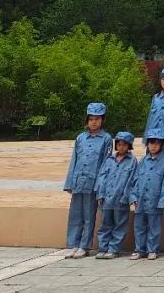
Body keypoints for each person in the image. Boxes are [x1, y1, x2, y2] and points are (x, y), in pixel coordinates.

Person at [63, 101, 112, 258]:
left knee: (89, 215)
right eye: (91, 119)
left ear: (102, 120)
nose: (94, 122)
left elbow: (106, 163)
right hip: (78, 181)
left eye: (97, 119)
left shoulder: (106, 139)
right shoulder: (80, 138)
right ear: (87, 120)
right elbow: (74, 160)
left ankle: (84, 245)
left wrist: (101, 185)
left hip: (93, 183)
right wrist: (69, 182)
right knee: (75, 214)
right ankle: (72, 243)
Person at [130, 129, 164, 260]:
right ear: (147, 145)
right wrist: (133, 196)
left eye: (156, 143)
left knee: (154, 226)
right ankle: (139, 249)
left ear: (161, 145)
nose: (153, 146)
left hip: (155, 199)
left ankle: (152, 249)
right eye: (151, 143)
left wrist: (162, 201)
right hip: (141, 199)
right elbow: (135, 179)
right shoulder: (143, 160)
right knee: (139, 226)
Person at [95, 131, 137, 259]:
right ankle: (103, 247)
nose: (121, 147)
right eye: (119, 144)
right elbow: (102, 177)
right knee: (105, 224)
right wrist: (100, 194)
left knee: (120, 225)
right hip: (107, 199)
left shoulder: (132, 161)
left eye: (125, 144)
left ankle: (114, 249)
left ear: (129, 146)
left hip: (121, 200)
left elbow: (133, 180)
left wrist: (129, 196)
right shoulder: (109, 160)